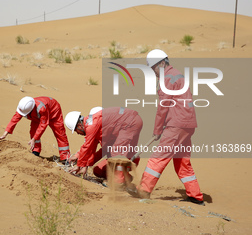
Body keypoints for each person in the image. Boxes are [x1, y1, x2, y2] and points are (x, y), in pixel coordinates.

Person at [128, 49, 204, 205]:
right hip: (188, 124)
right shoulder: (178, 74)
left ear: (162, 63)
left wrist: (157, 130)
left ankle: (144, 189)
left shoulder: (166, 78)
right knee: (182, 161)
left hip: (176, 125)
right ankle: (195, 195)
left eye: (153, 68)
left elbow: (163, 107)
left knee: (158, 158)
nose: (153, 72)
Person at [64, 107, 143, 184]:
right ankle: (125, 178)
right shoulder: (104, 130)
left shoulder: (92, 125)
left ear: (79, 126)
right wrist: (82, 162)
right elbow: (93, 148)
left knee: (116, 152)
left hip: (130, 123)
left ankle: (119, 182)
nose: (77, 133)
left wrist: (80, 165)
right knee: (98, 170)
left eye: (76, 131)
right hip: (132, 122)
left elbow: (87, 146)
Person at [0, 96, 70, 162]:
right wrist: (5, 133)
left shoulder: (41, 109)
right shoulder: (23, 107)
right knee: (33, 131)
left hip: (54, 111)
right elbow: (14, 119)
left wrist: (34, 139)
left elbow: (43, 125)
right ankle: (36, 151)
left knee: (60, 133)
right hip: (37, 116)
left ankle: (65, 157)